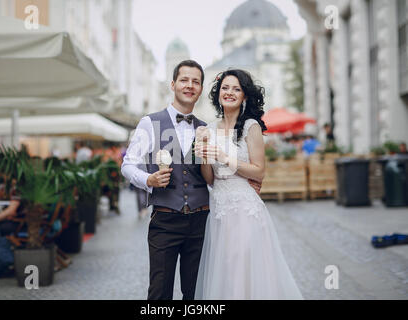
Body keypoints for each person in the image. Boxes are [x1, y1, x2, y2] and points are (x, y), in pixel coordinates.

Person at [121, 60, 263, 300]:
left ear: (201, 88)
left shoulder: (207, 129)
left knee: (197, 292)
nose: (190, 86)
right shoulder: (150, 123)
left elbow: (214, 173)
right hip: (165, 219)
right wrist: (149, 179)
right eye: (184, 80)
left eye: (196, 81)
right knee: (159, 292)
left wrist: (243, 182)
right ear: (173, 84)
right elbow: (128, 165)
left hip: (201, 221)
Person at [194, 69, 303, 299]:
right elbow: (210, 179)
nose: (230, 93)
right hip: (220, 210)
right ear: (218, 93)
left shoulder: (250, 126)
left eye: (236, 89)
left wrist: (224, 157)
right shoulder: (210, 129)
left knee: (244, 267)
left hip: (244, 208)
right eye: (225, 88)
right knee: (225, 270)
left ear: (244, 96)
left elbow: (259, 172)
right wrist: (203, 153)